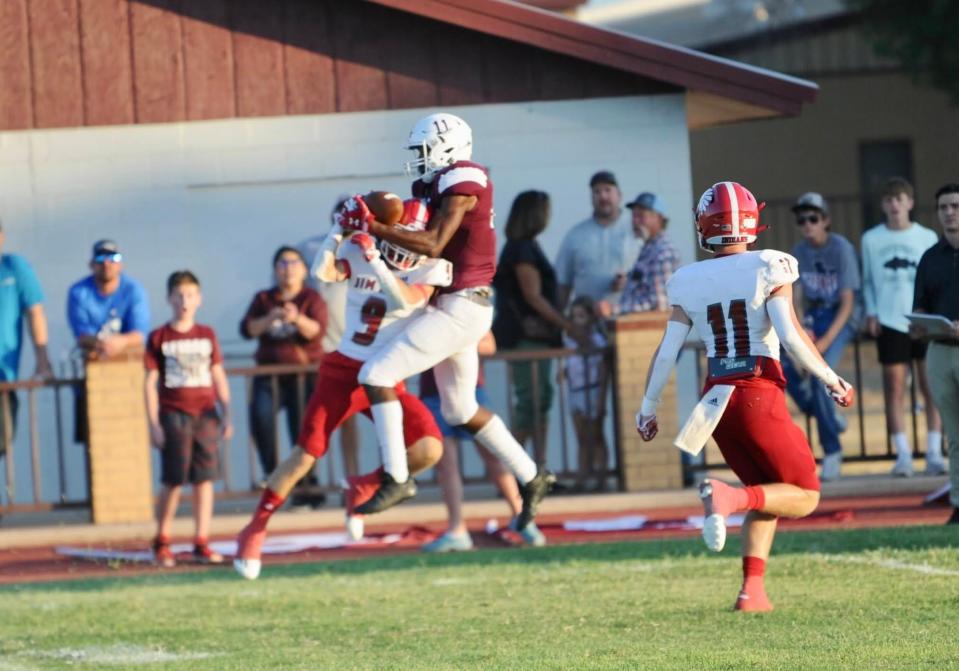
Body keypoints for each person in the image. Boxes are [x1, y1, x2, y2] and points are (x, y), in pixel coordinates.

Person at [636, 181, 854, 612]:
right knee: (805, 495)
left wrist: (647, 408)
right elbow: (791, 336)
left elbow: (667, 352)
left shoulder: (688, 279)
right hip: (757, 391)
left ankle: (751, 592)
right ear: (752, 221)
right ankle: (729, 497)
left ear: (705, 226)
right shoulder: (769, 265)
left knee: (768, 491)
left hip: (716, 398)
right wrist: (833, 379)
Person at [340, 112, 555, 530]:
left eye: (424, 150)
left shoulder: (463, 180)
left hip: (462, 306)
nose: (419, 159)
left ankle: (397, 476)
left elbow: (434, 241)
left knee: (376, 374)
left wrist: (373, 225)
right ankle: (531, 475)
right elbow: (424, 243)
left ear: (447, 147)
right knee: (460, 409)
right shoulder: (435, 184)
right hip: (456, 303)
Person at [233, 200, 447, 580]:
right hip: (345, 367)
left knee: (429, 447)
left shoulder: (430, 268)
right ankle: (255, 529)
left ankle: (363, 485)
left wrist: (376, 260)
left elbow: (404, 299)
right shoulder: (362, 250)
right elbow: (323, 272)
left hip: (383, 374)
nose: (403, 249)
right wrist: (338, 231)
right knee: (306, 454)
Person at [420, 332, 546, 552]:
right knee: (445, 464)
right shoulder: (421, 307)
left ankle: (521, 518)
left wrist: (455, 342)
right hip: (434, 392)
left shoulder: (465, 301)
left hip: (471, 389)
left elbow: (489, 345)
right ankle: (457, 529)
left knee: (493, 456)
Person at [145, 271, 233, 567]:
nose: (185, 301)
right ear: (170, 298)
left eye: (190, 295)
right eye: (179, 295)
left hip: (205, 415)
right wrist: (154, 424)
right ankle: (162, 540)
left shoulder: (207, 334)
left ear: (199, 299)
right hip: (174, 414)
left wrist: (227, 412)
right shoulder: (159, 337)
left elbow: (218, 374)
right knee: (173, 479)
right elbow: (149, 382)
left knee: (204, 479)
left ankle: (201, 540)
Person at [861, 177, 942, 476]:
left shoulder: (927, 236)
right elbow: (867, 279)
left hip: (922, 320)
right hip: (889, 318)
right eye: (889, 200)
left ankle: (934, 451)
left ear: (909, 202)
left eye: (900, 199)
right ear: (883, 206)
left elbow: (936, 280)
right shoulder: (872, 239)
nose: (894, 205)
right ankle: (903, 454)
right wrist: (871, 312)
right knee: (894, 387)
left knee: (929, 386)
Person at [781, 192, 860, 481]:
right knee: (786, 365)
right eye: (802, 220)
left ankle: (832, 450)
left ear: (825, 220)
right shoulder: (798, 251)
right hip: (813, 316)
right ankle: (832, 419)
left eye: (813, 218)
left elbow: (848, 301)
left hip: (839, 316)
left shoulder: (842, 248)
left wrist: (824, 342)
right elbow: (797, 296)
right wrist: (801, 330)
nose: (807, 224)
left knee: (821, 375)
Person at [240, 246, 327, 506]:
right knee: (261, 417)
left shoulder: (312, 298)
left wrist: (296, 318)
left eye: (293, 263)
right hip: (270, 375)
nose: (288, 268)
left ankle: (307, 488)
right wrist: (271, 317)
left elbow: (318, 331)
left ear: (302, 269)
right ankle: (273, 474)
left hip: (303, 376)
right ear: (275, 269)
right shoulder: (264, 299)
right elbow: (247, 329)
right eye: (282, 263)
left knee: (303, 430)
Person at [492, 190, 569, 465]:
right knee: (530, 404)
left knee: (540, 403)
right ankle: (515, 468)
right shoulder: (521, 249)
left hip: (535, 338)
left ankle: (538, 468)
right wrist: (568, 325)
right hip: (525, 338)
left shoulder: (525, 246)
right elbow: (532, 296)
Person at [299, 197, 360, 479]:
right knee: (319, 420)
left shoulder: (366, 250)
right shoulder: (312, 249)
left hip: (358, 346)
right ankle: (318, 481)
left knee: (353, 418)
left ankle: (352, 477)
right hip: (322, 349)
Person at [67, 239, 150, 442]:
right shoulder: (79, 292)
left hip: (127, 381)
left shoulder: (133, 290)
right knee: (96, 442)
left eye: (113, 258)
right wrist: (103, 344)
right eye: (101, 258)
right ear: (91, 264)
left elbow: (139, 334)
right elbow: (82, 335)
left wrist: (120, 343)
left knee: (130, 439)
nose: (107, 263)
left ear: (121, 264)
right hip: (93, 380)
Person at [911, 183, 959, 523]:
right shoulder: (930, 257)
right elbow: (920, 305)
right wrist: (920, 325)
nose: (950, 213)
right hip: (940, 351)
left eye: (955, 206)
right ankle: (958, 501)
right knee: (954, 434)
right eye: (944, 207)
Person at [0, 220, 53, 461]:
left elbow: (35, 312)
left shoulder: (13, 268)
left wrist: (42, 360)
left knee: (4, 441)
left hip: (3, 379)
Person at [554, 170, 641, 311]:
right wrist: (558, 323)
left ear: (619, 195)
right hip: (588, 323)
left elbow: (653, 274)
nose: (603, 196)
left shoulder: (636, 230)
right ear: (591, 197)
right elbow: (563, 283)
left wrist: (630, 282)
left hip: (628, 319)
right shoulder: (575, 235)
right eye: (597, 192)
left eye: (608, 190)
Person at [560, 296, 609, 492]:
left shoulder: (598, 341)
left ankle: (601, 476)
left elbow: (603, 370)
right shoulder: (568, 342)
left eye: (581, 316)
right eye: (573, 317)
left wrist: (601, 400)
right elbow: (569, 365)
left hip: (592, 389)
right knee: (581, 437)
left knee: (596, 435)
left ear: (590, 318)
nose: (577, 321)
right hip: (575, 392)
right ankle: (582, 477)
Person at [607, 191, 681, 316]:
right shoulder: (649, 246)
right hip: (637, 332)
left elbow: (660, 304)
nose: (635, 222)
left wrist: (613, 309)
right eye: (634, 216)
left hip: (651, 334)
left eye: (641, 216)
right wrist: (625, 282)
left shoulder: (663, 252)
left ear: (658, 218)